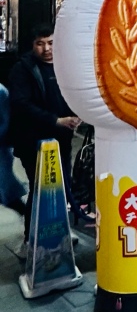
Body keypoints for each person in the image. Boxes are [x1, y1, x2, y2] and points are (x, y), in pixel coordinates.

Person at [8, 23, 85, 255]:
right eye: (40, 43)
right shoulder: (23, 69)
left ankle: (60, 229)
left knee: (62, 185)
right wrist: (55, 120)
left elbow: (76, 92)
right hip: (33, 141)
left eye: (51, 42)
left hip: (61, 139)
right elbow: (21, 105)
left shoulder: (65, 65)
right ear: (32, 45)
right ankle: (30, 239)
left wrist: (79, 114)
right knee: (39, 189)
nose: (46, 48)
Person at [0, 81, 26, 217]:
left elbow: (6, 122)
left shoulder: (1, 92)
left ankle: (31, 218)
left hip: (1, 149)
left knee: (7, 191)